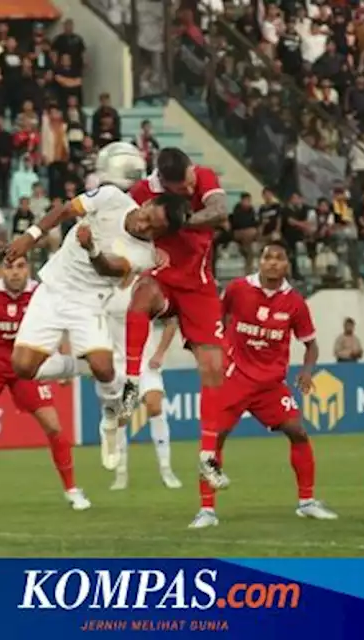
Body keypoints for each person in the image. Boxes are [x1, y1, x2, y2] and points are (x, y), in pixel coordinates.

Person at [3, 184, 190, 470]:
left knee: (104, 368)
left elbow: (109, 268)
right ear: (148, 202)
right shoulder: (112, 197)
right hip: (53, 289)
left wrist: (91, 247)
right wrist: (30, 237)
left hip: (89, 302)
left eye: (154, 228)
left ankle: (109, 420)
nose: (144, 224)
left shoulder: (144, 254)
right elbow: (65, 209)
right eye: (148, 215)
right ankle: (80, 366)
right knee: (23, 368)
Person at [190, 242, 337, 528]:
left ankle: (306, 502)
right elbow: (216, 319)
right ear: (259, 261)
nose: (272, 262)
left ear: (287, 265)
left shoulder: (294, 302)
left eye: (279, 258)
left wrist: (307, 372)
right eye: (267, 257)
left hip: (270, 383)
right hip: (234, 377)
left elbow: (311, 345)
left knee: (297, 432)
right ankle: (206, 510)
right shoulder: (237, 289)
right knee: (215, 437)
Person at [0, 256, 89, 518]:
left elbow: (57, 327)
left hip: (27, 367)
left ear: (28, 269)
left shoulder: (42, 294)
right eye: (9, 267)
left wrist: (62, 362)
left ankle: (72, 490)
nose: (15, 273)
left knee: (53, 426)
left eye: (20, 266)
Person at [121, 151, 231, 469]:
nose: (190, 187)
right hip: (164, 278)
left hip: (199, 286)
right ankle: (131, 381)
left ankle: (208, 456)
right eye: (182, 186)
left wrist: (179, 220)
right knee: (140, 297)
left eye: (190, 180)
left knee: (213, 367)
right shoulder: (142, 193)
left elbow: (220, 211)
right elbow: (124, 227)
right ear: (164, 184)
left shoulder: (204, 176)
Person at [104, 290, 180, 491]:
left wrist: (160, 353)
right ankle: (121, 473)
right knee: (122, 416)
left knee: (155, 406)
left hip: (145, 363)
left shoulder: (144, 289)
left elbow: (171, 321)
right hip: (118, 365)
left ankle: (166, 469)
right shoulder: (104, 288)